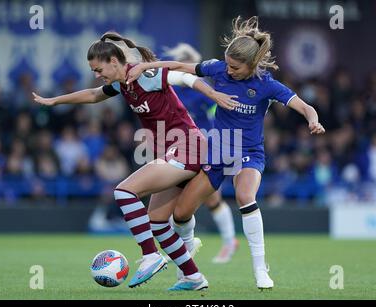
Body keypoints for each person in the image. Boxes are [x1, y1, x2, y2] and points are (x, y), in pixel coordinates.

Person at [127, 16, 325, 290]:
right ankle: (187, 272)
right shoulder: (218, 69)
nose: (229, 71)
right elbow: (178, 67)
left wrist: (313, 121)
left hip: (249, 152)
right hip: (217, 151)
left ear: (252, 65)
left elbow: (304, 106)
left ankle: (260, 269)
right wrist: (146, 66)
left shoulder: (267, 84)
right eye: (228, 64)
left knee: (245, 196)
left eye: (235, 67)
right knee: (181, 214)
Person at [32, 31, 238, 291]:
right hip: (176, 151)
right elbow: (94, 95)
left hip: (188, 147)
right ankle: (193, 277)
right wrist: (55, 101)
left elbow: (184, 77)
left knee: (124, 191)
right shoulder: (122, 84)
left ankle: (150, 256)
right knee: (158, 221)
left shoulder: (146, 75)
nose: (97, 74)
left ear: (114, 62)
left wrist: (214, 96)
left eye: (98, 69)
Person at [164, 43, 239, 264]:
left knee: (211, 199)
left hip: (204, 146)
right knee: (181, 199)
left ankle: (227, 241)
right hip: (181, 147)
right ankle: (180, 248)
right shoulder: (172, 89)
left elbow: (218, 109)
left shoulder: (201, 88)